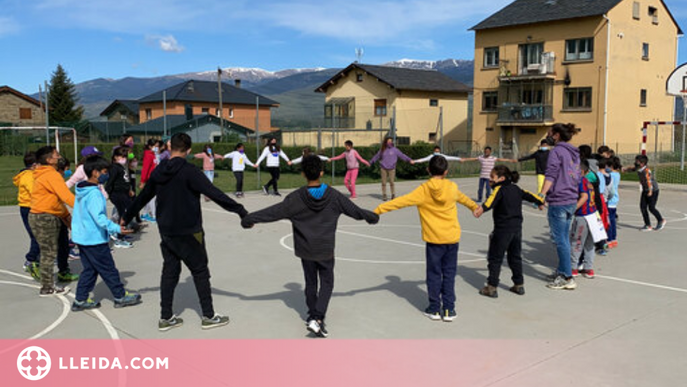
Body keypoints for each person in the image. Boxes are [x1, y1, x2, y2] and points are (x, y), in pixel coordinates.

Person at [241, 155, 379, 337]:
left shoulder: (295, 198)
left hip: (306, 250)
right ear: (321, 172)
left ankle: (313, 316)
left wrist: (249, 218)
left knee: (311, 282)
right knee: (327, 282)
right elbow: (355, 211)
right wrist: (371, 217)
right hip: (325, 249)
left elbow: (273, 212)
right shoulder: (334, 196)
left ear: (303, 173)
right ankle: (317, 318)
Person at [123, 133, 248, 332]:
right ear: (189, 150)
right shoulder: (190, 171)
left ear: (171, 147)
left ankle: (166, 317)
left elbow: (143, 196)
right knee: (200, 271)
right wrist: (240, 210)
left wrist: (126, 215)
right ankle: (208, 315)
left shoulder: (159, 171)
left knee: (170, 271)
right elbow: (214, 193)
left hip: (167, 231)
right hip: (190, 230)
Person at [374, 155, 479, 322]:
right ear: (446, 172)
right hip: (452, 239)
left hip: (434, 241)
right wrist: (474, 207)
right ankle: (449, 310)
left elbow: (401, 201)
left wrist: (378, 210)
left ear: (428, 170)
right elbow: (463, 198)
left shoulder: (423, 190)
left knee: (434, 274)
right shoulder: (452, 187)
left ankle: (434, 308)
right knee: (449, 274)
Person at [71, 156, 142, 311]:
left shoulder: (82, 189)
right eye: (104, 172)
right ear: (95, 173)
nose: (106, 175)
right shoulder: (94, 194)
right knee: (108, 269)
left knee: (90, 270)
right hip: (94, 239)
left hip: (83, 238)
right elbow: (99, 218)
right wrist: (116, 228)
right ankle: (120, 296)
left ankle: (80, 299)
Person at [474, 165, 545, 298]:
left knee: (495, 258)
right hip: (516, 229)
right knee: (515, 257)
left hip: (502, 230)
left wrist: (481, 209)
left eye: (492, 177)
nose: (490, 180)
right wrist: (540, 201)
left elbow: (490, 201)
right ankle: (519, 285)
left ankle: (491, 286)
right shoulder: (516, 188)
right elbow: (529, 195)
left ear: (501, 178)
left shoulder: (499, 189)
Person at [29, 146, 79, 296]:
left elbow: (56, 201)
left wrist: (67, 217)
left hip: (44, 216)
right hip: (45, 217)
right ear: (49, 160)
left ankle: (48, 284)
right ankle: (47, 287)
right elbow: (66, 197)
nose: (59, 157)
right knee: (49, 253)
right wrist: (84, 210)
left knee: (48, 251)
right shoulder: (51, 175)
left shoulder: (45, 174)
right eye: (56, 155)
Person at [540, 123, 581, 290]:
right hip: (571, 198)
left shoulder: (556, 151)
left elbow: (551, 174)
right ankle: (562, 270)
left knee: (560, 240)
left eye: (550, 133)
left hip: (559, 200)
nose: (548, 136)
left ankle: (566, 276)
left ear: (556, 135)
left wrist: (542, 195)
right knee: (564, 239)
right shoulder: (574, 152)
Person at [569, 159, 599, 280]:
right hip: (593, 215)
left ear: (580, 170)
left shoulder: (580, 181)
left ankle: (573, 267)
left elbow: (584, 196)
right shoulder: (588, 181)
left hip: (583, 216)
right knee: (589, 243)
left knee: (577, 242)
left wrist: (573, 209)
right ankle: (588, 268)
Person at [14, 151, 40, 280]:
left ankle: (35, 258)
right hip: (29, 208)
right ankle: (30, 259)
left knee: (37, 235)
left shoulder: (29, 174)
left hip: (30, 207)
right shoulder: (28, 176)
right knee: (37, 236)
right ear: (34, 165)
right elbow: (34, 192)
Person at [105, 147, 136, 248]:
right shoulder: (114, 168)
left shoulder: (122, 167)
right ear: (115, 157)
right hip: (117, 194)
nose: (124, 159)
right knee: (123, 215)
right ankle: (119, 237)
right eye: (121, 156)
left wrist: (129, 190)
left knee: (126, 213)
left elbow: (125, 181)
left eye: (125, 157)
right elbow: (110, 182)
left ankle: (120, 232)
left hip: (124, 193)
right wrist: (108, 193)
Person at [625, 155, 665, 231]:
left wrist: (650, 191)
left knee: (651, 207)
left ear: (642, 163)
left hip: (653, 190)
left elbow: (648, 181)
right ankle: (648, 225)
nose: (635, 163)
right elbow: (633, 169)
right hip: (645, 189)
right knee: (642, 207)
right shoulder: (639, 168)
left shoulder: (646, 171)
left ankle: (661, 220)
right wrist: (625, 170)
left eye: (637, 161)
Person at [369, 137, 414, 201]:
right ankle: (384, 195)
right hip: (383, 168)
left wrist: (409, 160)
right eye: (388, 141)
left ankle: (393, 194)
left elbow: (402, 155)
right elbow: (376, 156)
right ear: (386, 142)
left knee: (391, 182)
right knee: (383, 183)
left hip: (392, 169)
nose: (389, 142)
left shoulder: (395, 150)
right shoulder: (382, 150)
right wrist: (370, 162)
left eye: (391, 141)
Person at [140, 139, 160, 222]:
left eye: (158, 146)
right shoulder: (148, 155)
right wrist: (143, 181)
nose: (157, 148)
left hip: (154, 178)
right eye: (155, 146)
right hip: (149, 179)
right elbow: (145, 169)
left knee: (149, 197)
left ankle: (145, 214)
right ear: (150, 146)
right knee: (152, 198)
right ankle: (154, 215)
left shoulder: (153, 154)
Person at [606, 157, 622, 248]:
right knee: (612, 220)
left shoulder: (611, 175)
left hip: (610, 199)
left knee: (609, 220)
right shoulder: (617, 174)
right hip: (614, 200)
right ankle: (613, 238)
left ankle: (609, 239)